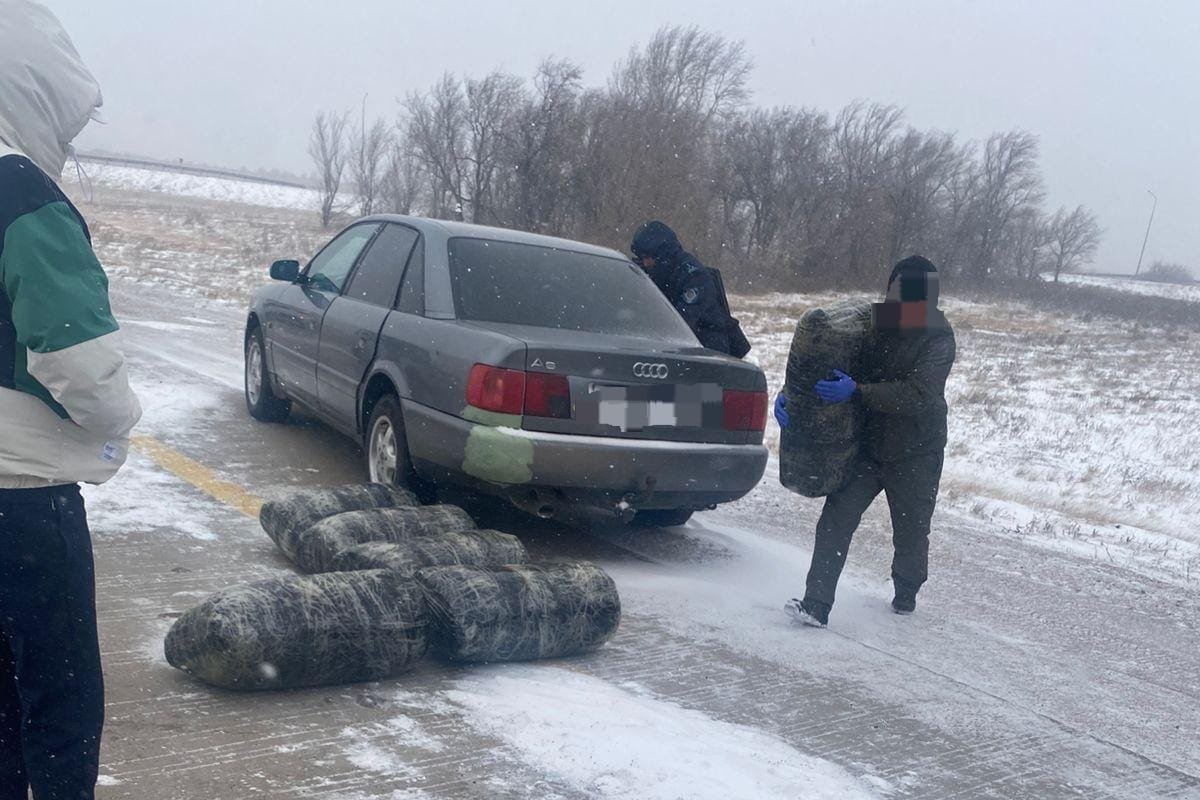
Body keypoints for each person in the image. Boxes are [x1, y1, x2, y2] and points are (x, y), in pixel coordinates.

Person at [1, 2, 142, 797]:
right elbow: (85, 374)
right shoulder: (19, 191)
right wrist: (122, 420)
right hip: (22, 503)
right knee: (57, 717)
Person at [775, 256, 955, 627]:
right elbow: (825, 357)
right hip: (869, 446)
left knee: (910, 530)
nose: (902, 302)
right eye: (897, 291)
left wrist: (857, 391)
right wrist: (791, 396)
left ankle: (906, 591)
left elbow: (919, 394)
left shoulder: (938, 335)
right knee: (835, 521)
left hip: (916, 451)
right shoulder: (871, 321)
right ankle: (816, 604)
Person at [630, 220, 751, 358]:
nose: (646, 263)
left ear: (663, 254)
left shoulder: (693, 275)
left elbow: (681, 322)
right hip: (677, 348)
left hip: (709, 348)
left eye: (648, 258)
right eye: (642, 258)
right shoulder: (650, 271)